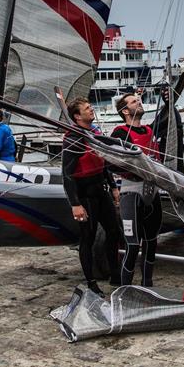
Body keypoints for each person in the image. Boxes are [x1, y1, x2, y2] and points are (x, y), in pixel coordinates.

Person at [62, 97, 121, 296]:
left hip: (101, 189)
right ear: (77, 116)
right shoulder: (74, 138)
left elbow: (103, 162)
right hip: (85, 194)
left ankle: (116, 274)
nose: (91, 109)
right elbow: (67, 175)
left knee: (114, 231)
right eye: (87, 108)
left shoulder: (95, 132)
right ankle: (91, 282)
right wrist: (75, 204)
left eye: (90, 107)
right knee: (87, 237)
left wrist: (113, 186)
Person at [110, 92, 163, 287]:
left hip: (153, 193)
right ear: (125, 111)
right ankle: (125, 291)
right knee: (133, 246)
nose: (138, 102)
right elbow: (110, 164)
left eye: (138, 100)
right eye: (134, 101)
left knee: (152, 243)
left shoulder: (150, 130)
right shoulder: (119, 133)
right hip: (131, 194)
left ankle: (147, 287)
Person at [151, 84, 184, 173]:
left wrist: (169, 104)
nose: (139, 101)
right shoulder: (121, 132)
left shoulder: (148, 128)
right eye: (134, 101)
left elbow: (176, 126)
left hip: (171, 162)